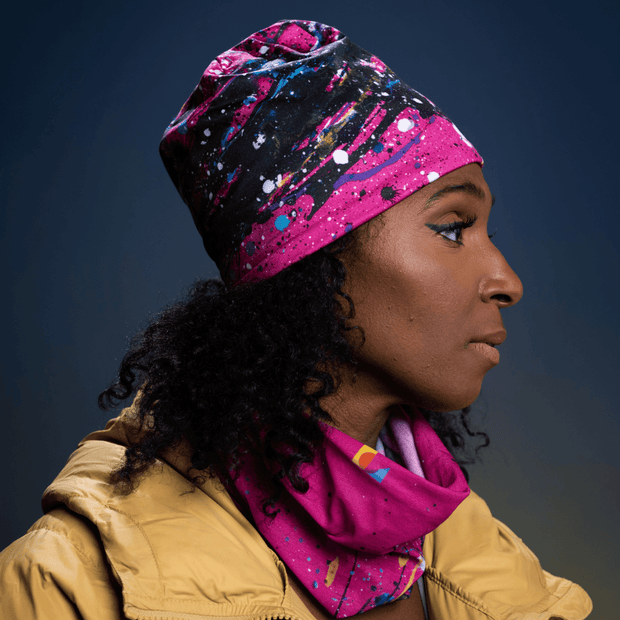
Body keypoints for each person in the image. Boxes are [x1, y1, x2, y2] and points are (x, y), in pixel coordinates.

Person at [0, 19, 592, 620]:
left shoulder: (462, 539)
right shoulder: (61, 583)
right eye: (452, 228)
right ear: (315, 259)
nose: (508, 282)